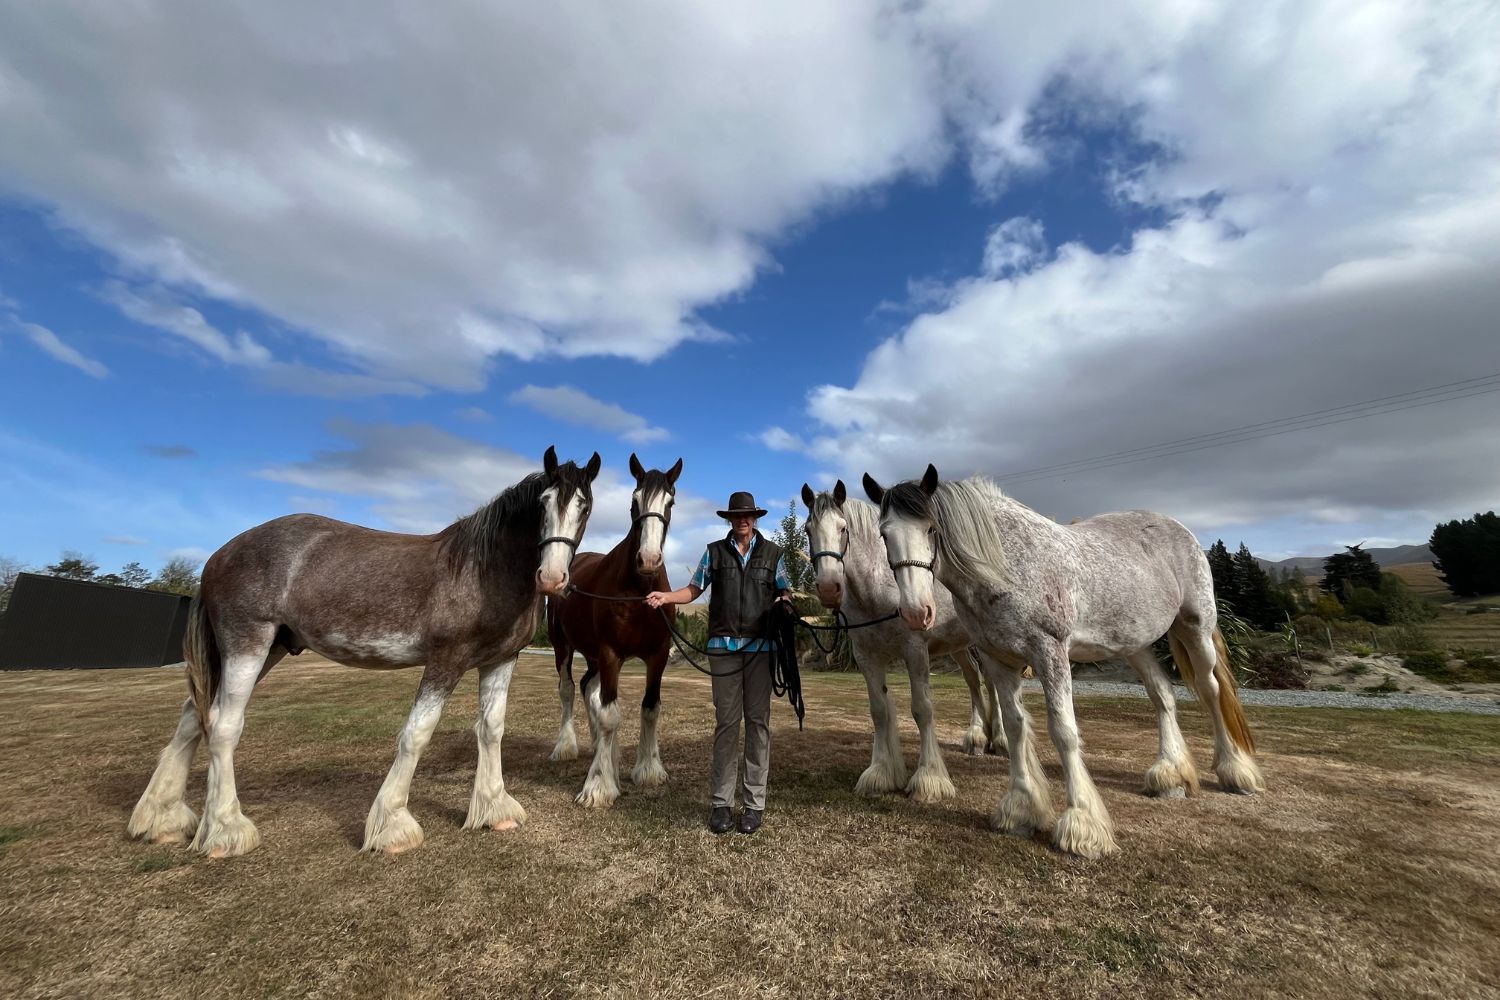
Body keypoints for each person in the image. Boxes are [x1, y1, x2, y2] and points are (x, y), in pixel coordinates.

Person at [646, 491, 791, 835]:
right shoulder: (713, 552)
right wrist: (666, 596)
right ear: (729, 519)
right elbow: (695, 590)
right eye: (737, 516)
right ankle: (721, 804)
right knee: (727, 724)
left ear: (755, 518)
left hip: (761, 650)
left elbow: (785, 590)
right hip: (722, 648)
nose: (743, 520)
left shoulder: (774, 555)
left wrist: (784, 602)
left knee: (758, 724)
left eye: (748, 515)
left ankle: (754, 805)